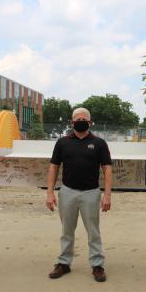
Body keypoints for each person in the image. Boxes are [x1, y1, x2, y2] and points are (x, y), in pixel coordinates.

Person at [46, 107, 113, 282]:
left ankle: (97, 265)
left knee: (93, 231)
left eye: (84, 119)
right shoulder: (62, 142)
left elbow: (107, 168)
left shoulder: (99, 143)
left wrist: (107, 194)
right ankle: (64, 263)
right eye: (78, 119)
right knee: (67, 230)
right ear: (72, 122)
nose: (81, 121)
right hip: (67, 192)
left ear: (90, 122)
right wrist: (50, 192)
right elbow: (54, 167)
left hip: (91, 193)